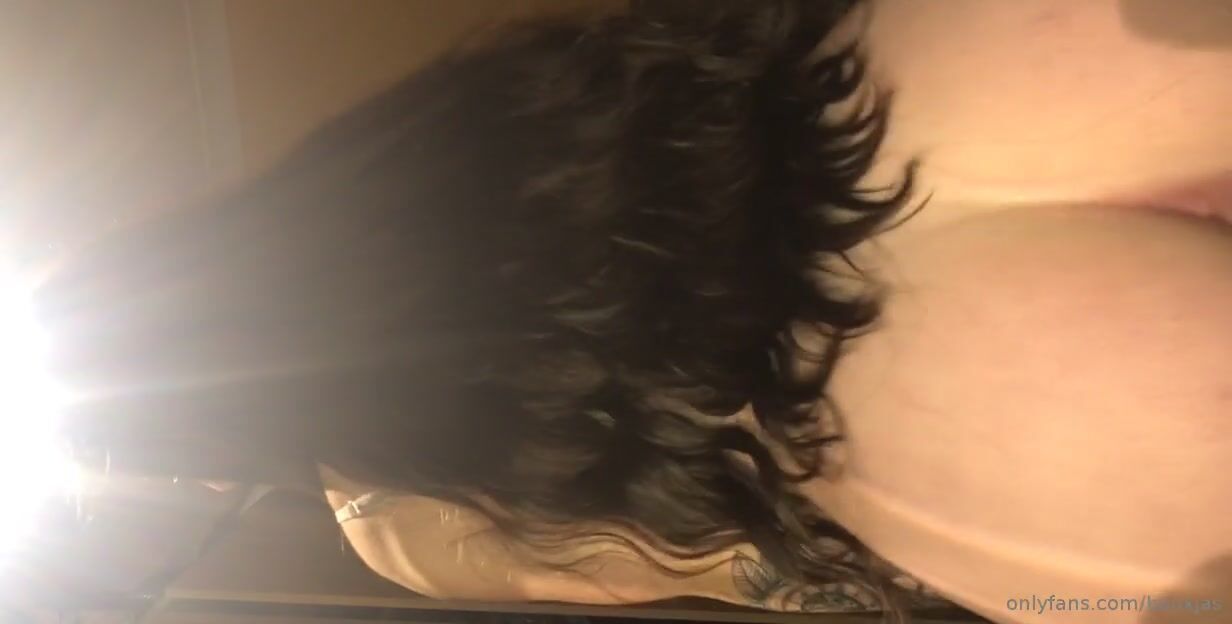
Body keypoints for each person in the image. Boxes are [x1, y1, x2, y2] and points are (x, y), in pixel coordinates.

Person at [35, 1, 1231, 623]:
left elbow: (672, 571)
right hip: (893, 83)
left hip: (916, 442)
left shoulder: (399, 532)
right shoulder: (880, 36)